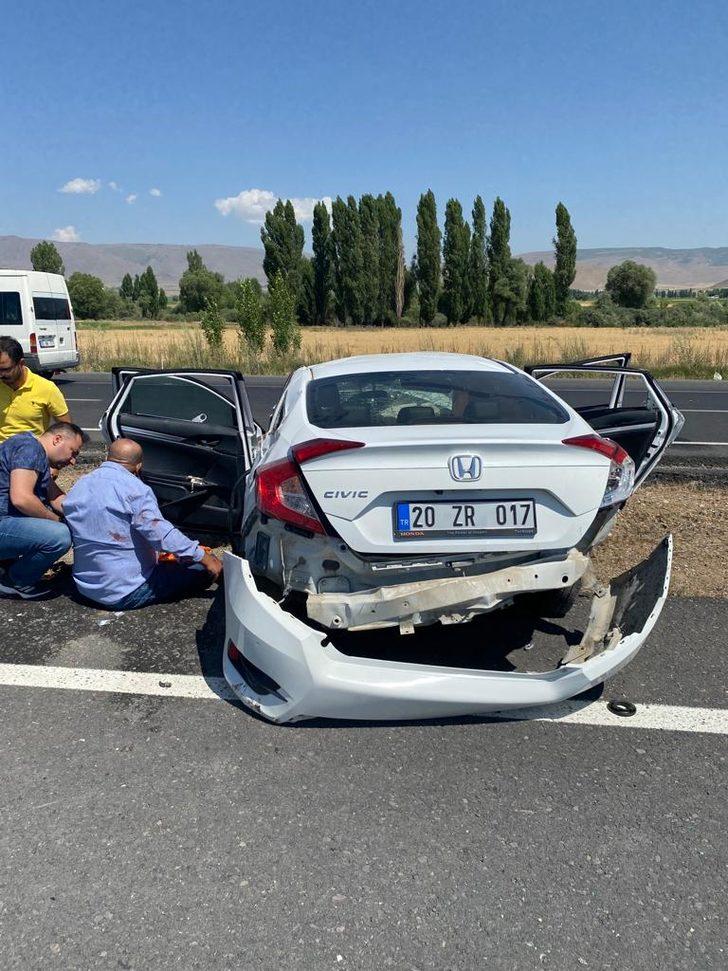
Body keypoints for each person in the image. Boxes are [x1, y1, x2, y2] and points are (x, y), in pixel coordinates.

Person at [63, 438, 223, 610]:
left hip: (85, 587)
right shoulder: (135, 488)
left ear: (107, 457)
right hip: (124, 591)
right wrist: (203, 557)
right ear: (139, 466)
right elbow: (161, 534)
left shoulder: (80, 485)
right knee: (202, 569)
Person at [0, 422, 85, 598]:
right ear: (57, 439)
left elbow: (56, 498)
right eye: (73, 452)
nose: (73, 461)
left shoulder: (34, 451)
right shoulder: (30, 449)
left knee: (62, 524)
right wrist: (55, 520)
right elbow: (22, 499)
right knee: (59, 536)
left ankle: (7, 565)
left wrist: (85, 515)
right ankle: (15, 581)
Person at [0, 336, 72, 443]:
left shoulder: (47, 388)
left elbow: (67, 429)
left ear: (21, 364)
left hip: (30, 453)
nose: (1, 374)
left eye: (5, 369)